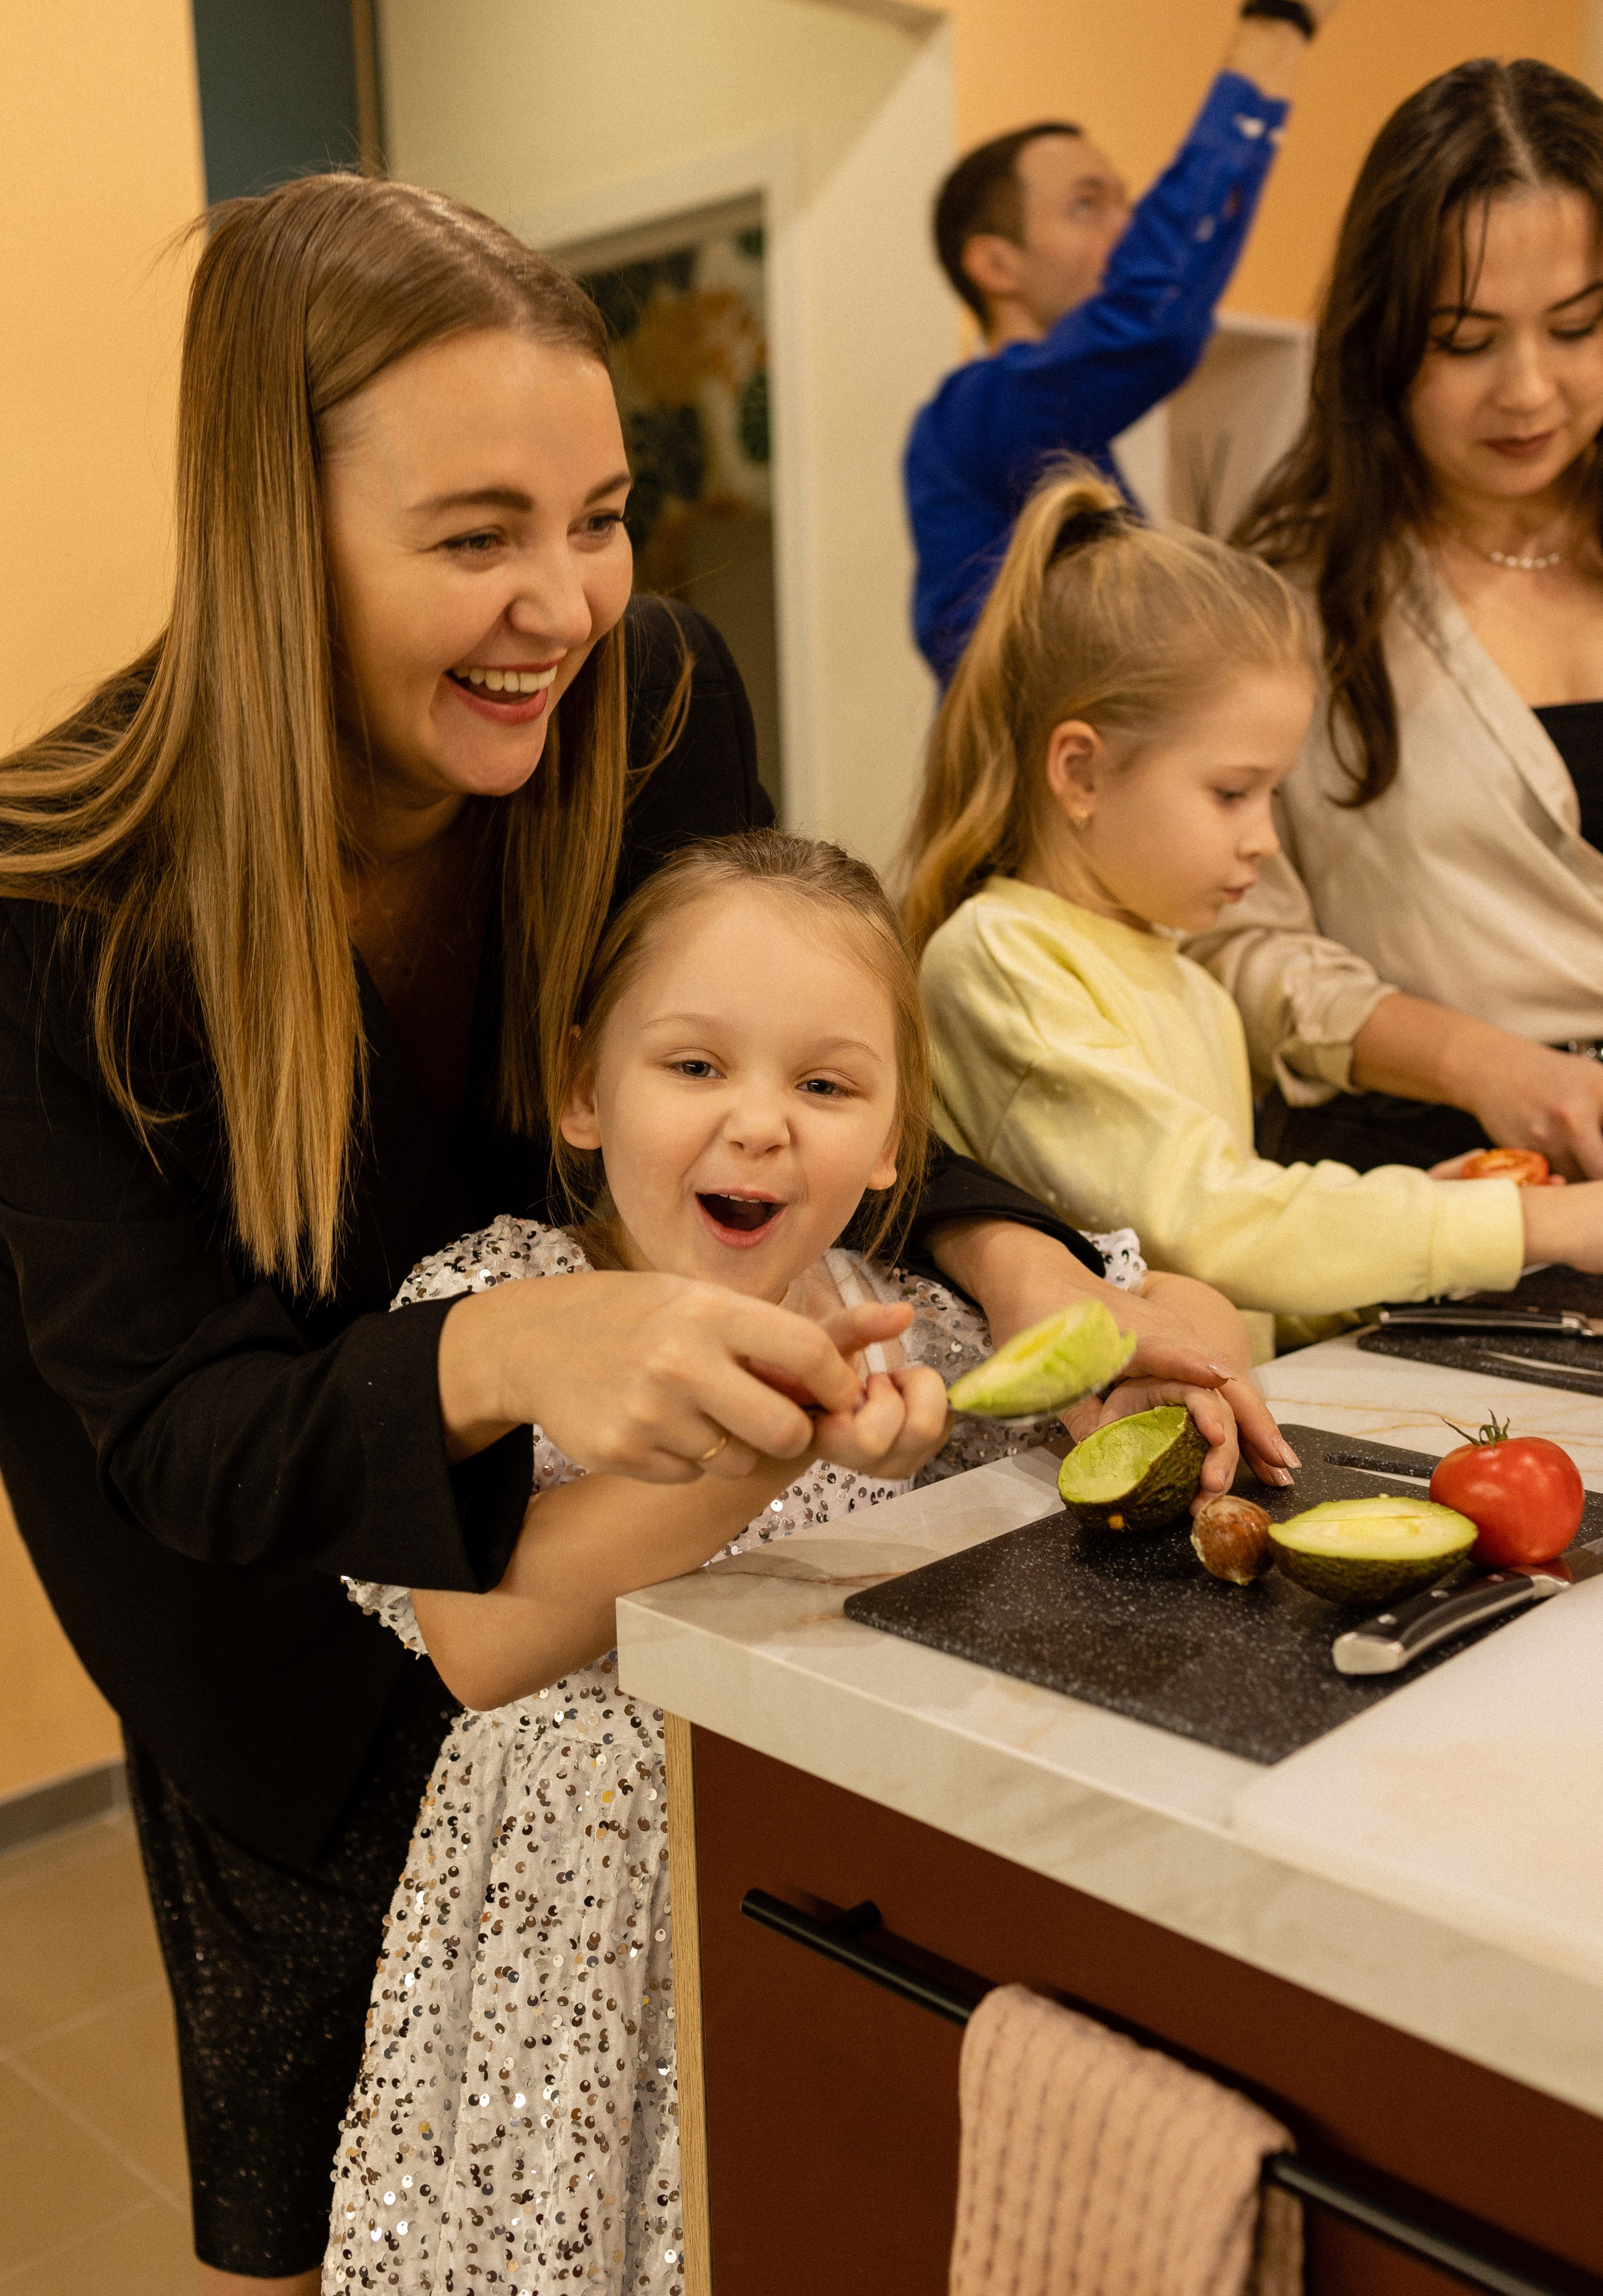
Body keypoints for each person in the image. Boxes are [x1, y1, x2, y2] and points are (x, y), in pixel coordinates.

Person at [0, 175, 1282, 2290]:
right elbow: (185, 1441)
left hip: (620, 1580)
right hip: (269, 1661)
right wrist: (512, 1356)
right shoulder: (59, 912)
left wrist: (1020, 1260)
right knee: (356, 2199)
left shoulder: (658, 699)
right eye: (475, 537)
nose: (567, 605)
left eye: (598, 516)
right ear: (269, 526)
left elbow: (781, 1039)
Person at [323, 829, 1091, 2294]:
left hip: (824, 1896)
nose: (758, 1125)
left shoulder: (917, 1324)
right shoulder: (498, 1304)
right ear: (580, 1087)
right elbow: (482, 1646)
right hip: (566, 1925)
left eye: (822, 1083)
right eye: (693, 1066)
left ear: (890, 1139)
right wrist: (780, 1441)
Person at [904, 471, 1603, 1359]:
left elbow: (1239, 1290)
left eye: (1274, 794)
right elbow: (1211, 1225)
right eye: (1233, 792)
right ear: (1079, 772)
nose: (1266, 840)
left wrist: (1435, 1211)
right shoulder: (1000, 960)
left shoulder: (1186, 977)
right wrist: (1532, 1224)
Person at [1200, 58, 1603, 1180]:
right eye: (1466, 341)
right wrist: (1480, 1063)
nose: (1528, 390)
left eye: (1578, 328)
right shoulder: (1291, 597)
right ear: (1379, 343)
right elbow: (1234, 943)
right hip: (1437, 1189)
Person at [904, 0, 1383, 687]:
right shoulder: (974, 416)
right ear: (995, 265)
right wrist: (1278, 17)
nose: (1127, 229)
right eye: (1088, 204)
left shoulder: (1083, 449)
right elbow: (1153, 318)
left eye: (1128, 201)